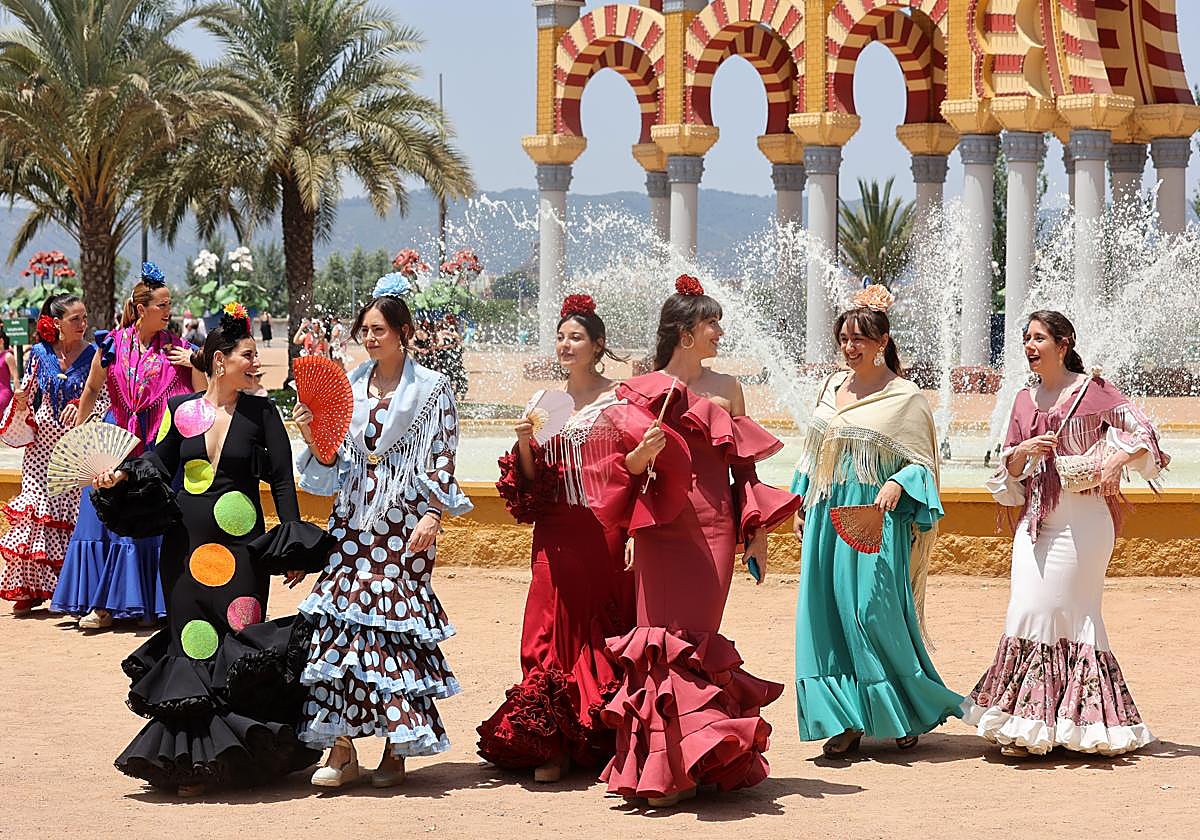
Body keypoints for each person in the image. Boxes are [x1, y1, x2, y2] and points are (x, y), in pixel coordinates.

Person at [95, 302, 330, 796]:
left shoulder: (263, 412)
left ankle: (241, 757)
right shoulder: (181, 410)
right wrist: (121, 477)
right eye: (249, 354)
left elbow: (282, 482)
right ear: (220, 360)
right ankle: (194, 764)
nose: (256, 363)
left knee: (239, 643)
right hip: (183, 551)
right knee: (192, 644)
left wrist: (290, 546)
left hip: (242, 554)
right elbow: (157, 463)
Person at [587, 275, 800, 807]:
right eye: (711, 324)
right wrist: (643, 455)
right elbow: (619, 469)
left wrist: (756, 535)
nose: (720, 332)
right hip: (661, 529)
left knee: (698, 641)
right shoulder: (638, 390)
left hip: (715, 527)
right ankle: (662, 769)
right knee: (657, 642)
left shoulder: (729, 388)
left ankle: (693, 762)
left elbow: (744, 471)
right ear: (685, 333)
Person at [293, 271, 473, 789]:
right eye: (365, 330)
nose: (370, 338)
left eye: (379, 330)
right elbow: (331, 462)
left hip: (404, 525)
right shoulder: (348, 388)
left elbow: (443, 455)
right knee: (341, 625)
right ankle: (342, 746)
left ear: (403, 332)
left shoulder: (432, 390)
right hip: (352, 521)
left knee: (395, 630)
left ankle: (397, 744)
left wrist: (434, 514)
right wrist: (312, 434)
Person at [962, 310, 1168, 758]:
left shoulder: (1094, 390)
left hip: (1084, 522)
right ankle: (1025, 723)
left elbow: (1147, 434)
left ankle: (1080, 722)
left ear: (1064, 343)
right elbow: (1008, 469)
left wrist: (1116, 459)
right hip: (1037, 520)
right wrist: (1024, 450)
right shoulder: (1023, 400)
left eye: (1039, 338)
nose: (1029, 346)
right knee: (1027, 609)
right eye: (1026, 338)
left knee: (1072, 614)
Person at [790, 285, 962, 759]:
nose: (850, 347)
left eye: (859, 339)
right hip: (826, 515)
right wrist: (799, 505)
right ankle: (846, 720)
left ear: (882, 340)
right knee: (826, 614)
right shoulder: (831, 387)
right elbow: (813, 452)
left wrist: (898, 482)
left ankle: (902, 710)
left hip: (875, 517)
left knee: (872, 612)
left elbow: (923, 465)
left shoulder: (906, 398)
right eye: (844, 338)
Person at [477, 294, 634, 781]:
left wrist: (636, 528)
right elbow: (529, 479)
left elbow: (636, 470)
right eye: (561, 337)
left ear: (598, 344)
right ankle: (552, 744)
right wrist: (525, 441)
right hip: (555, 530)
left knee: (601, 623)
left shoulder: (621, 399)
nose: (566, 345)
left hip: (604, 531)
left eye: (576, 337)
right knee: (546, 625)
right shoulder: (541, 403)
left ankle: (602, 736)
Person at [51, 263, 203, 630]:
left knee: (149, 514)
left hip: (155, 443)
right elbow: (92, 388)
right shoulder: (112, 344)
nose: (168, 311)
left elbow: (201, 396)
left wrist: (195, 363)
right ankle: (102, 604)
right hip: (115, 441)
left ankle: (151, 603)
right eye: (162, 305)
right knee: (101, 514)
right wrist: (81, 431)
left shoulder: (179, 349)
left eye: (169, 304)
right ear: (141, 309)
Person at [0, 293, 97, 615]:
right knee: (36, 510)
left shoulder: (93, 354)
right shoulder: (39, 354)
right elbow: (29, 392)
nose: (82, 325)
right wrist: (21, 400)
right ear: (57, 323)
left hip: (74, 445)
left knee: (71, 513)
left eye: (84, 318)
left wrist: (80, 405)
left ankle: (67, 590)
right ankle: (30, 589)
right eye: (75, 319)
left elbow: (102, 396)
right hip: (41, 445)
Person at [0, 329, 17, 418]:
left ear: (1, 341)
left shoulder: (8, 356)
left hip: (3, 394)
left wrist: (19, 397)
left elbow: (15, 377)